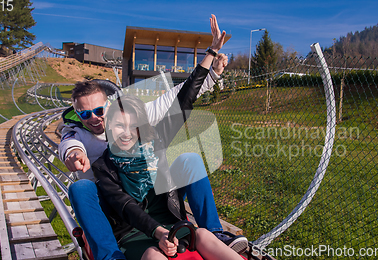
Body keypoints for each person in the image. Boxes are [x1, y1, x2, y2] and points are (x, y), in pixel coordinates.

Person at [58, 14, 247, 260]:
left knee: (189, 159)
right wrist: (74, 153)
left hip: (155, 205)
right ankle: (109, 255)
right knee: (82, 187)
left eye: (99, 111)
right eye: (84, 113)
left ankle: (215, 232)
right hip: (115, 208)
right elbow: (70, 143)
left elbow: (181, 100)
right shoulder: (93, 152)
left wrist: (210, 55)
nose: (94, 118)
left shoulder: (138, 126)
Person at [93, 93, 244, 260]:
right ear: (109, 126)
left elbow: (184, 102)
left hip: (169, 222)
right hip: (134, 232)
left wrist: (208, 67)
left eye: (134, 126)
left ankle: (217, 233)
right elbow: (126, 206)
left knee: (203, 234)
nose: (127, 133)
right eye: (120, 126)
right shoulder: (103, 166)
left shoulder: (154, 145)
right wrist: (159, 233)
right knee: (153, 254)